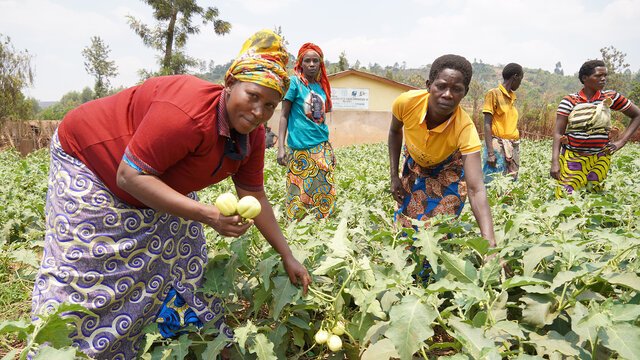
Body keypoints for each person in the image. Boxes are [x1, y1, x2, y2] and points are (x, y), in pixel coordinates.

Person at [30, 30, 311, 360]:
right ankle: (56, 350)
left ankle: (176, 336)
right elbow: (129, 176)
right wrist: (205, 214)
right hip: (91, 162)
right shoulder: (187, 112)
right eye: (252, 96)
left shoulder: (252, 135)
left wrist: (287, 254)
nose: (258, 111)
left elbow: (254, 193)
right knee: (88, 266)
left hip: (152, 176)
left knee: (184, 255)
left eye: (269, 105)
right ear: (230, 83)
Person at [388, 54, 495, 246]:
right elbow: (395, 131)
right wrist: (394, 176)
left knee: (436, 234)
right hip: (415, 163)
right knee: (406, 230)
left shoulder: (465, 128)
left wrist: (490, 245)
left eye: (456, 89)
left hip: (449, 171)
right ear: (429, 85)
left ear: (465, 92)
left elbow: (476, 188)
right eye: (441, 86)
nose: (447, 94)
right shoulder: (406, 103)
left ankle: (430, 274)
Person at [550, 59, 640, 197]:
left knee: (594, 200)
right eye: (598, 76)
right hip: (573, 158)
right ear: (585, 78)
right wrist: (555, 162)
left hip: (600, 159)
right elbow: (558, 133)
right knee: (565, 200)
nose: (603, 79)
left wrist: (621, 141)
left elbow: (637, 114)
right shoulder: (570, 101)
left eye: (605, 75)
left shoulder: (610, 98)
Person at [277, 43, 336, 220]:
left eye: (315, 61)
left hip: (321, 148)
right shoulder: (294, 83)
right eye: (307, 60)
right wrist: (280, 147)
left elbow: (321, 122)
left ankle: (321, 232)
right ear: (300, 63)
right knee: (298, 195)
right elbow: (284, 115)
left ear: (320, 64)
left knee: (325, 192)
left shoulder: (321, 87)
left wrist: (329, 148)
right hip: (299, 150)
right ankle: (297, 235)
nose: (311, 64)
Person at [482, 63, 524, 181]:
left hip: (512, 146)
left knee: (510, 186)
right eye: (521, 78)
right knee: (493, 184)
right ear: (515, 76)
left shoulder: (511, 97)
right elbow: (487, 123)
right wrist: (491, 153)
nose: (520, 82)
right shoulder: (493, 94)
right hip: (497, 147)